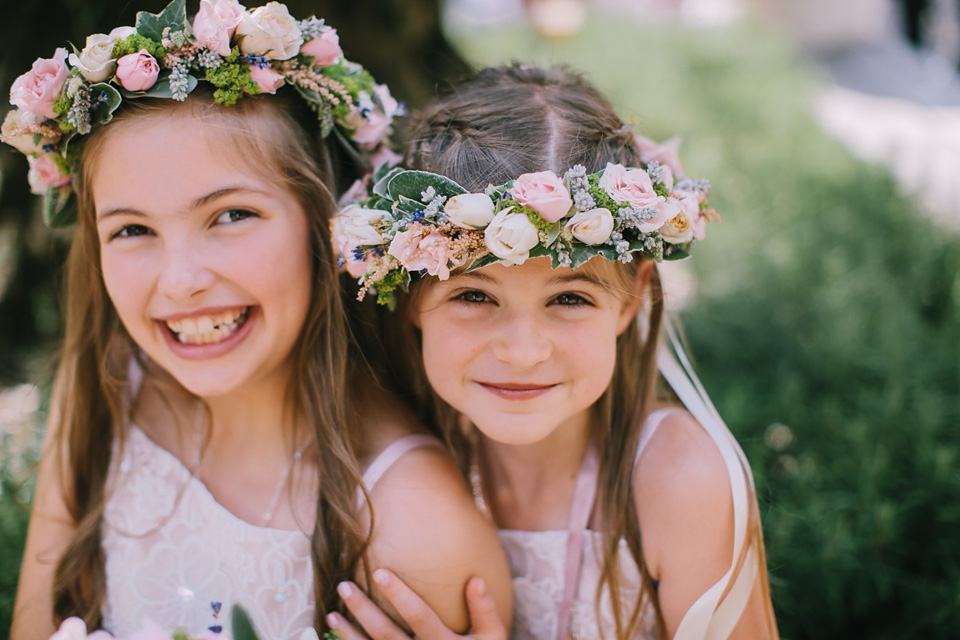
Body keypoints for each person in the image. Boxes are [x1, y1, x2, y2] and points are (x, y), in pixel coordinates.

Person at [4, 2, 510, 638]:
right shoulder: (104, 397)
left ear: (329, 224)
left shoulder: (412, 532)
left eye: (231, 215)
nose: (180, 280)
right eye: (132, 229)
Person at [329, 64, 779, 640]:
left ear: (630, 296)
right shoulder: (392, 459)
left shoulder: (679, 483)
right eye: (472, 294)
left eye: (568, 297)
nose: (521, 351)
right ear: (412, 293)